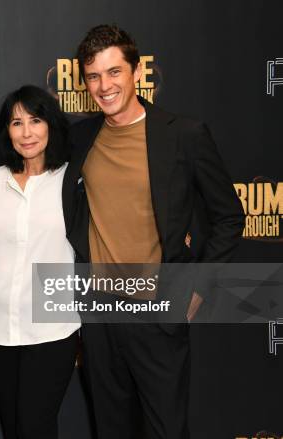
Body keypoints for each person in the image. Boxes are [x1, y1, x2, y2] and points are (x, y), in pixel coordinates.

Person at [62, 25, 244, 439]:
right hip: (100, 314)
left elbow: (229, 216)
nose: (103, 86)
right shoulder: (80, 138)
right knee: (111, 428)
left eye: (113, 72)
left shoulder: (183, 135)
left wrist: (197, 287)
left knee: (166, 430)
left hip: (158, 311)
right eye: (93, 76)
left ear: (137, 71)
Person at [0, 85, 81, 439]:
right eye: (16, 123)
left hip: (52, 327)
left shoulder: (71, 180)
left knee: (36, 427)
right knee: (12, 428)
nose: (26, 132)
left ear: (50, 124)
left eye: (35, 120)